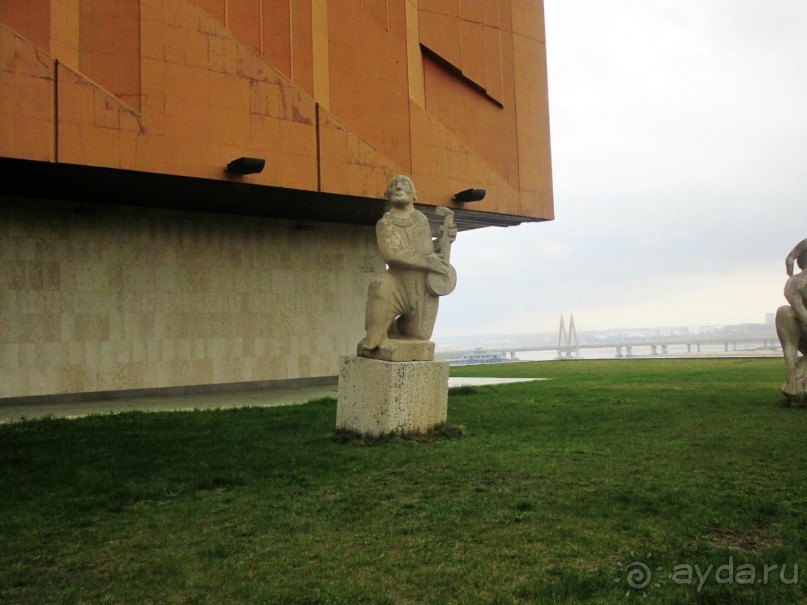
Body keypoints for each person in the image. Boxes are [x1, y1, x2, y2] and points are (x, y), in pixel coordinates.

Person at [358, 175, 455, 355]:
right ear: (388, 194)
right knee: (380, 285)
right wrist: (428, 262)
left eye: (404, 185)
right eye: (394, 186)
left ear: (414, 195)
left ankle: (393, 327)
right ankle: (377, 334)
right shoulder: (385, 223)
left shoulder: (421, 220)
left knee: (420, 335)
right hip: (397, 282)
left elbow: (426, 251)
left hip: (421, 286)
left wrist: (444, 241)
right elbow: (392, 254)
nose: (399, 188)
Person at [776, 241, 807, 398]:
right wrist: (792, 256)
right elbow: (800, 312)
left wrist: (791, 256)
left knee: (784, 312)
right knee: (785, 312)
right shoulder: (797, 282)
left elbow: (800, 311)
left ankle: (794, 379)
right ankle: (795, 380)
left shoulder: (794, 282)